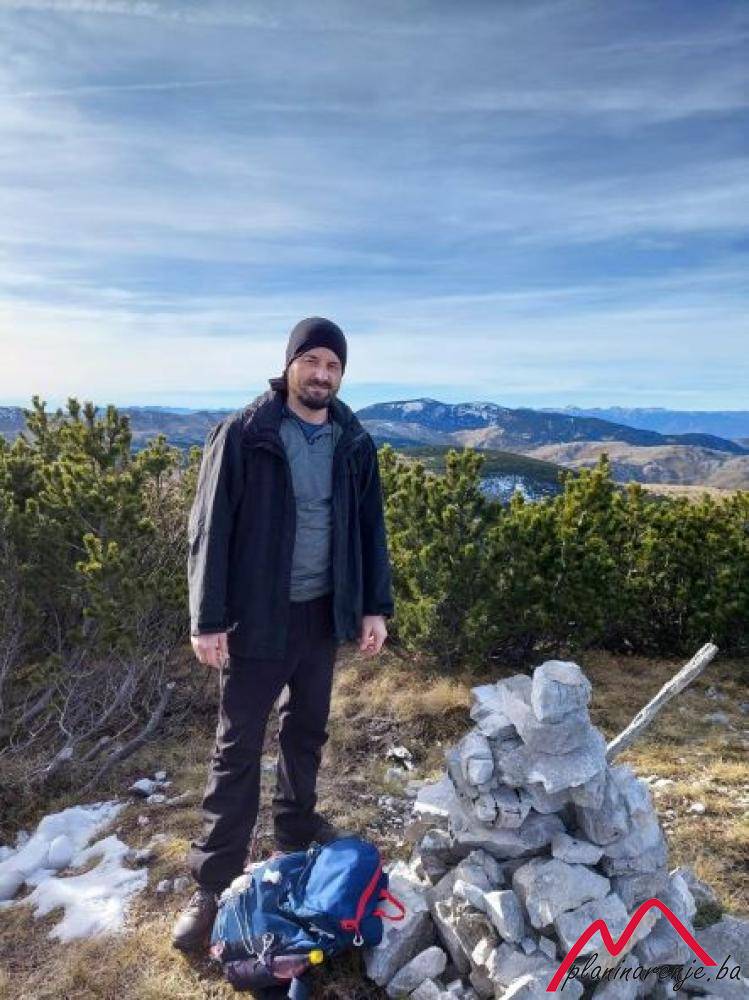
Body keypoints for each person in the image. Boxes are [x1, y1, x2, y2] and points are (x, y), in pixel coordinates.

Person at [171, 316, 395, 952]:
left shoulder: (353, 440)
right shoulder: (246, 433)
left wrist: (373, 607)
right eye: (312, 361)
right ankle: (214, 881)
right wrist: (207, 617)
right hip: (257, 615)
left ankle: (295, 832)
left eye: (333, 365)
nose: (322, 374)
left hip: (323, 613)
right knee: (237, 746)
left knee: (307, 729)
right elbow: (210, 528)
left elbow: (370, 528)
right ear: (290, 364)